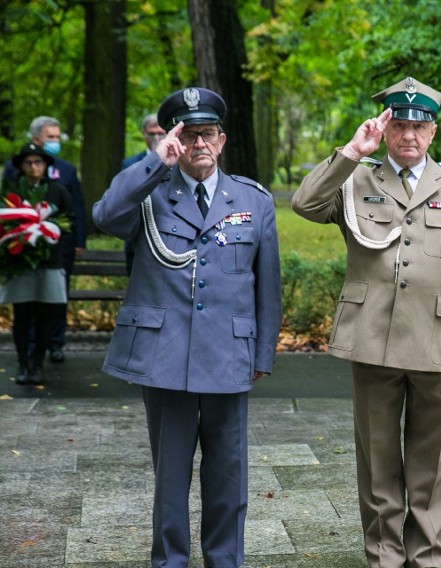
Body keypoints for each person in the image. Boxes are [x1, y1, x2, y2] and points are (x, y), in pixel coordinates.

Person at [292, 76, 441, 568]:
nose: (409, 136)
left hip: (437, 338)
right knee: (378, 458)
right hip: (372, 336)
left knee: (430, 459)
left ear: (433, 131)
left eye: (419, 127)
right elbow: (305, 203)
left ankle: (425, 555)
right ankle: (384, 555)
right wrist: (353, 150)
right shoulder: (356, 178)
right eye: (399, 125)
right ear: (386, 126)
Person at [92, 87, 282, 567]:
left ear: (222, 140)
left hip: (229, 354)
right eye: (189, 134)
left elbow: (267, 286)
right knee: (171, 479)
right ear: (175, 139)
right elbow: (103, 216)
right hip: (165, 355)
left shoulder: (253, 199)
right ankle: (170, 562)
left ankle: (224, 561)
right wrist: (157, 161)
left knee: (228, 475)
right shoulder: (149, 192)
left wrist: (262, 356)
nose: (199, 143)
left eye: (208, 134)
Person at [2, 116, 87, 363]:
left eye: (58, 137)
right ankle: (27, 352)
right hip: (21, 249)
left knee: (53, 301)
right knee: (26, 305)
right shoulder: (13, 173)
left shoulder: (66, 173)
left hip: (56, 250)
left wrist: (78, 240)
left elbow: (76, 210)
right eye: (51, 136)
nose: (56, 141)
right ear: (37, 138)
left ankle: (54, 343)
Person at [0, 144, 74, 385]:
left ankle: (37, 365)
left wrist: (49, 237)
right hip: (18, 262)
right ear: (21, 166)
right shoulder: (10, 191)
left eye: (38, 162)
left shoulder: (57, 191)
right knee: (21, 315)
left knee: (45, 315)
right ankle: (23, 364)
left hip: (48, 262)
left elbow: (68, 221)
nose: (34, 167)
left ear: (45, 166)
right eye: (29, 162)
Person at [121, 113, 166, 273]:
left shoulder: (180, 162)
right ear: (144, 134)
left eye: (161, 133)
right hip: (138, 237)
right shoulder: (130, 164)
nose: (156, 137)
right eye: (152, 133)